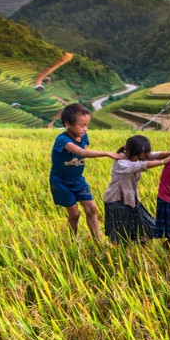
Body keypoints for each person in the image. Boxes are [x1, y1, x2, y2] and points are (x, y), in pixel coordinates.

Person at [50, 103, 122, 243]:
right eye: (82, 125)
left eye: (87, 125)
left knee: (92, 209)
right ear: (67, 124)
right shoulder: (62, 140)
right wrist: (106, 153)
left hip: (78, 180)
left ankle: (98, 241)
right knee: (75, 214)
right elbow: (82, 152)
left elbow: (84, 149)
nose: (85, 129)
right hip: (62, 182)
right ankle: (72, 240)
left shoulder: (83, 137)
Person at [103, 135, 170, 245]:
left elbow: (154, 155)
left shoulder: (136, 155)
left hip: (132, 200)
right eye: (140, 157)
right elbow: (142, 165)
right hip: (117, 202)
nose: (143, 159)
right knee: (121, 236)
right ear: (129, 152)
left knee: (146, 228)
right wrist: (163, 162)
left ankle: (139, 249)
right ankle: (123, 256)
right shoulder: (121, 162)